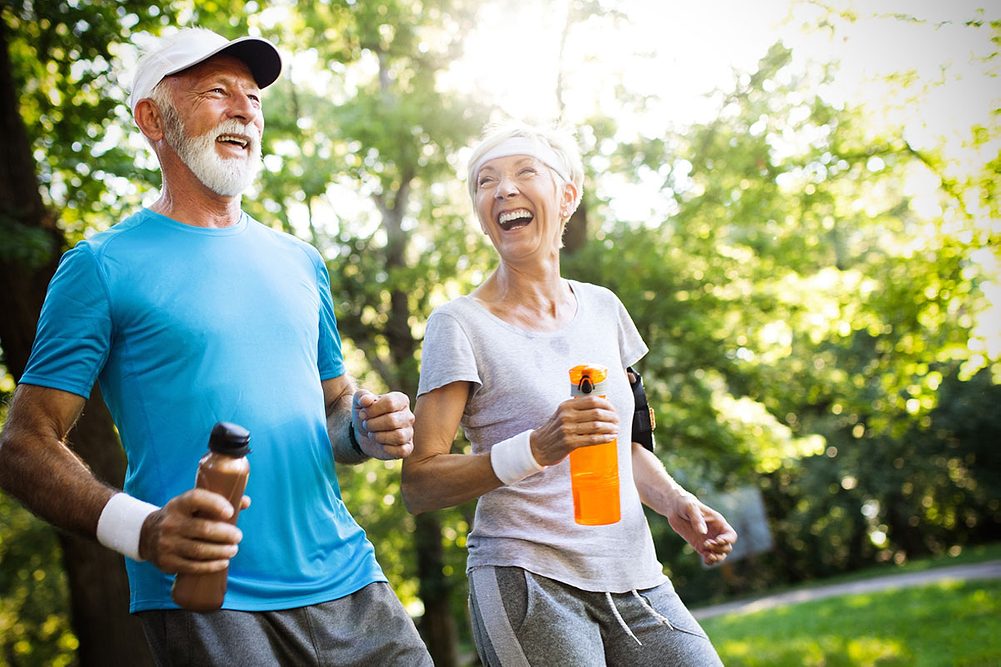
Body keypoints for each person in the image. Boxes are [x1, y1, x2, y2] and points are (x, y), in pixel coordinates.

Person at [0, 28, 432, 666]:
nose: (243, 109)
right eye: (217, 91)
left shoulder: (300, 261)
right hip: (209, 599)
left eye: (253, 98)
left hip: (352, 583)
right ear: (153, 118)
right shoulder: (100, 265)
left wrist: (367, 429)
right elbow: (24, 445)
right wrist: (144, 532)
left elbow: (335, 414)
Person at [401, 122, 737, 666]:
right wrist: (536, 447)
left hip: (637, 577)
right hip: (529, 579)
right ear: (481, 212)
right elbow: (420, 484)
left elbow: (622, 446)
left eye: (524, 172)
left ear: (567, 196)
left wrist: (678, 504)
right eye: (486, 181)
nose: (504, 189)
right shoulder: (459, 324)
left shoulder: (605, 310)